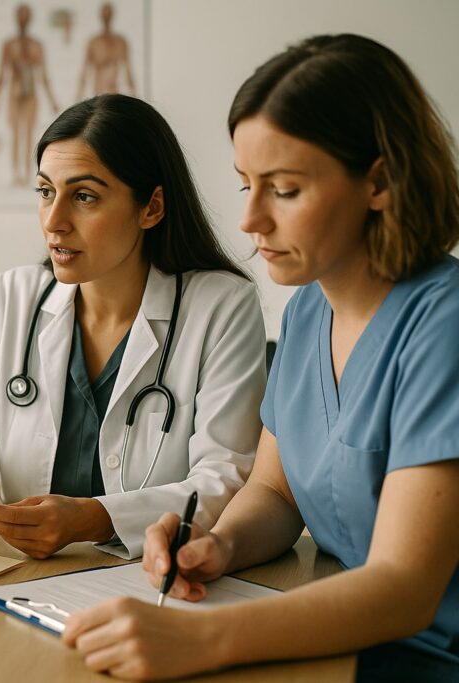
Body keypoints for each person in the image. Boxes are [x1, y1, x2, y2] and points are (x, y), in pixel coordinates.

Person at [63, 34, 459, 682]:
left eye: (283, 189)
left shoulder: (443, 324)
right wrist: (218, 545)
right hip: (345, 642)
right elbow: (275, 491)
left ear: (380, 181)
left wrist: (200, 636)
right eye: (247, 184)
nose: (249, 219)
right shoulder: (309, 309)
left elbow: (405, 586)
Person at [0, 94, 267, 561]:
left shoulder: (223, 307)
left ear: (151, 208)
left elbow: (228, 478)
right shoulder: (16, 296)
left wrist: (97, 518)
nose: (54, 221)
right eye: (46, 191)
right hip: (26, 572)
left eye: (84, 196)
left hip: (155, 571)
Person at [0, 3, 60, 187]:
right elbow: (2, 75)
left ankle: (27, 175)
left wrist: (53, 100)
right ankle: (15, 174)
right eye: (20, 15)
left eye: (25, 15)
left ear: (29, 18)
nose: (22, 19)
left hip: (31, 96)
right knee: (15, 135)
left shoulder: (36, 46)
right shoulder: (9, 46)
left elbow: (43, 76)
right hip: (14, 94)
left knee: (28, 134)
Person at [77, 3, 136, 100]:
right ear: (100, 16)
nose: (106, 18)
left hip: (115, 92)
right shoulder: (93, 42)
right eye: (105, 15)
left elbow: (128, 70)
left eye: (109, 15)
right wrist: (78, 98)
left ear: (112, 16)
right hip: (98, 93)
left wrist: (135, 97)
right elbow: (85, 71)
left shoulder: (120, 41)